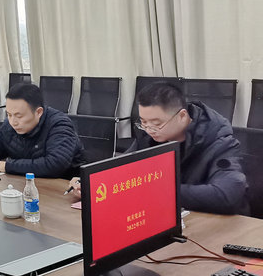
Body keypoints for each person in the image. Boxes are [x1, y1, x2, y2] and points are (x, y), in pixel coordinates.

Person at [68, 82, 248, 215]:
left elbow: (227, 195)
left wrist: (150, 190)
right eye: (143, 122)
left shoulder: (221, 143)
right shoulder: (151, 136)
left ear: (182, 116)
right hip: (164, 217)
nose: (148, 130)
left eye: (156, 123)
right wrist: (91, 183)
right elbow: (121, 168)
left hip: (215, 227)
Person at [0, 83, 84, 179]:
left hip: (63, 187)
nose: (13, 122)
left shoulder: (59, 125)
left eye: (19, 116)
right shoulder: (9, 125)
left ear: (38, 112)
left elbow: (55, 165)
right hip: (24, 183)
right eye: (9, 114)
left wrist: (7, 166)